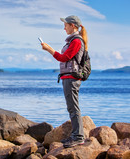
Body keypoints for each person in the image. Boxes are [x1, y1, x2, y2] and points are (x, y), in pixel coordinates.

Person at [41, 15, 88, 148]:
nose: (64, 27)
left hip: (72, 78)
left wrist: (49, 49)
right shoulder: (72, 41)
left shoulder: (77, 41)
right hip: (68, 77)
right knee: (71, 107)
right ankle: (75, 135)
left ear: (73, 25)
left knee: (73, 108)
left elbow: (64, 57)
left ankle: (78, 137)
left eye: (66, 25)